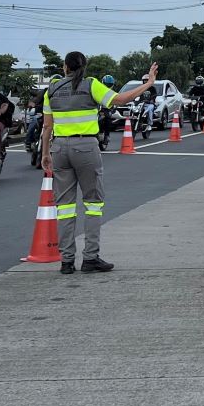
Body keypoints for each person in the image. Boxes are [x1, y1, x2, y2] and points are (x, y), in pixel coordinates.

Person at [42, 53, 159, 274]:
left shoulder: (53, 89)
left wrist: (45, 153)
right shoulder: (90, 84)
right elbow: (121, 100)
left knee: (64, 207)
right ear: (83, 66)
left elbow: (47, 126)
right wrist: (148, 83)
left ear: (65, 67)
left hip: (59, 149)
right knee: (93, 203)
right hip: (85, 147)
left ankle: (66, 261)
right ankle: (90, 258)